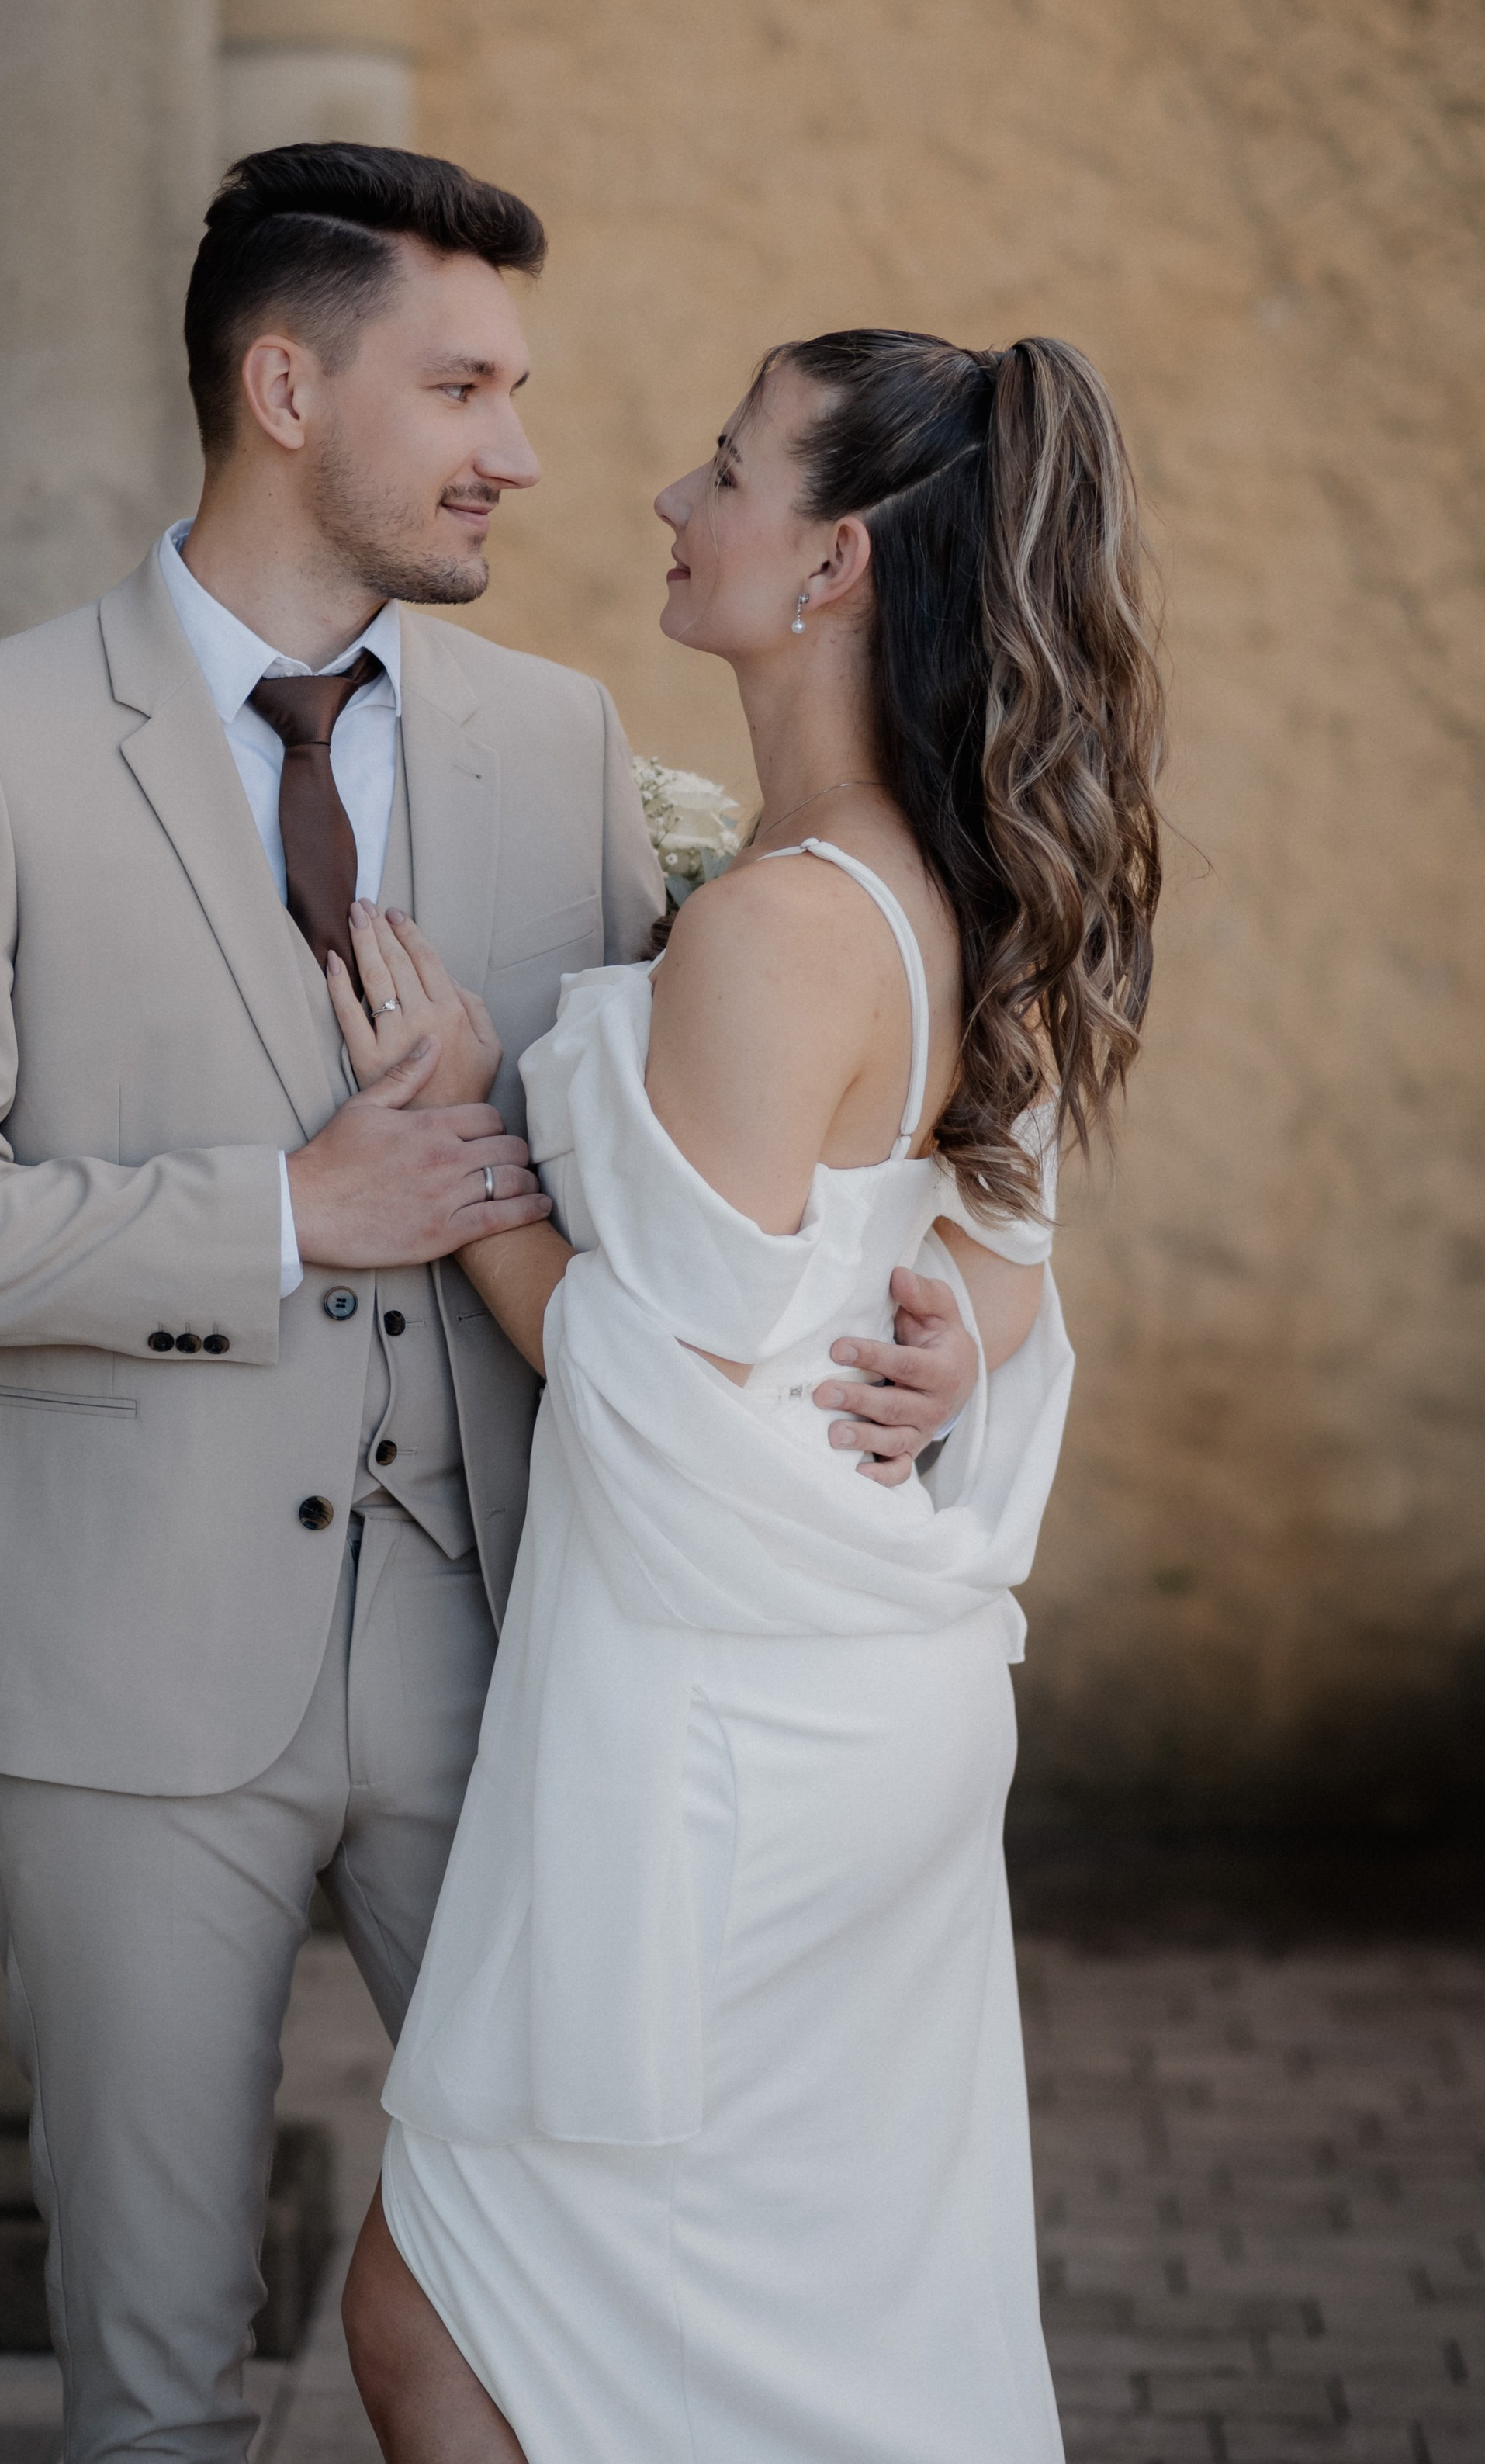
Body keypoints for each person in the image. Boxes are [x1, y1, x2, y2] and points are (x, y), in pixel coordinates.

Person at [0, 153, 987, 2463]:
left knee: (588, 2293)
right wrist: (279, 1211)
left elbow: (724, 1165)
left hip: (525, 1661)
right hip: (120, 1681)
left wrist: (945, 1311)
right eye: (462, 388)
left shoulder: (555, 741)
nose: (522, 453)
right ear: (281, 388)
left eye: (520, 391)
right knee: (153, 2371)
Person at [338, 328, 1165, 2463]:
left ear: (836, 569)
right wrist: (963, 1316)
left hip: (718, 1738)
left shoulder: (786, 928)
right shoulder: (958, 875)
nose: (666, 501)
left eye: (727, 468)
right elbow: (996, 1220)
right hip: (840, 1710)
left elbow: (647, 1391)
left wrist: (460, 1149)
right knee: (778, 2335)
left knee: (446, 2316)